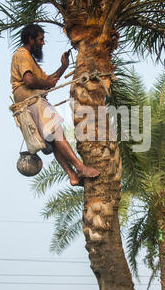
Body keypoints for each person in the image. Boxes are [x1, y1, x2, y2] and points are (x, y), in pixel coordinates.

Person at [10, 24, 100, 186]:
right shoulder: (22, 54)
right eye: (40, 39)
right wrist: (45, 82)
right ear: (30, 39)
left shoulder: (29, 59)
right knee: (58, 134)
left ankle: (72, 176)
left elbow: (49, 82)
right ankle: (80, 167)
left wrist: (63, 66)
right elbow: (30, 81)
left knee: (53, 140)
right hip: (32, 102)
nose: (43, 43)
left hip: (30, 104)